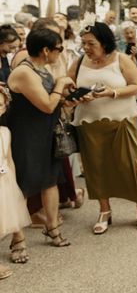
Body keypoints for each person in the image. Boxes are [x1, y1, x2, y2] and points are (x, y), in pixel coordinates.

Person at [69, 21, 137, 234]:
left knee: (129, 165)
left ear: (104, 42)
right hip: (88, 123)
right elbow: (67, 88)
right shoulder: (78, 62)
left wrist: (110, 92)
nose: (86, 47)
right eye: (83, 43)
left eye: (91, 43)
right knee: (95, 169)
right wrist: (76, 98)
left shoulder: (121, 59)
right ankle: (104, 210)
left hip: (121, 121)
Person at [7, 29, 76, 250]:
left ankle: (53, 227)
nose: (60, 53)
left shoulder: (42, 69)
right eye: (59, 48)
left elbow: (53, 103)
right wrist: (60, 83)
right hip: (26, 136)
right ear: (45, 50)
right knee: (23, 186)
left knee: (50, 181)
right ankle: (17, 239)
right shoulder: (24, 72)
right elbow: (46, 105)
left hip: (46, 133)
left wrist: (70, 98)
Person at [0, 86, 32, 278]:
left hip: (4, 181)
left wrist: (13, 184)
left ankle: (18, 239)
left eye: (1, 105)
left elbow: (8, 159)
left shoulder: (5, 132)